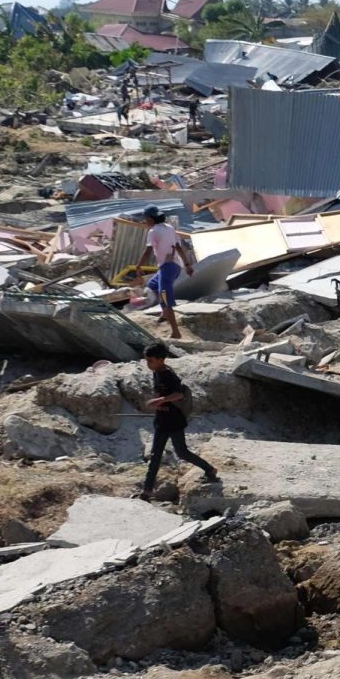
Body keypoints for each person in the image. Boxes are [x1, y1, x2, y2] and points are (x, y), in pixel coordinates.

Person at [140, 342, 218, 499]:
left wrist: (159, 401)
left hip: (174, 420)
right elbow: (159, 391)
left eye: (150, 360)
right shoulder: (156, 372)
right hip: (162, 420)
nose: (148, 364)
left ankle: (209, 469)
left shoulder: (168, 374)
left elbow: (179, 395)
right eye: (147, 360)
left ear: (161, 360)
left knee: (182, 453)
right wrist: (158, 403)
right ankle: (147, 490)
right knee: (155, 455)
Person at [136, 206, 194, 339]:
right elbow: (179, 247)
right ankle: (165, 313)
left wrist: (139, 266)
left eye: (145, 220)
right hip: (174, 267)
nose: (145, 222)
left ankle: (176, 332)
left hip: (167, 269)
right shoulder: (169, 228)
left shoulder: (153, 231)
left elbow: (148, 251)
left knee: (165, 298)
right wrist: (187, 265)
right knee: (153, 285)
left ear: (150, 219)